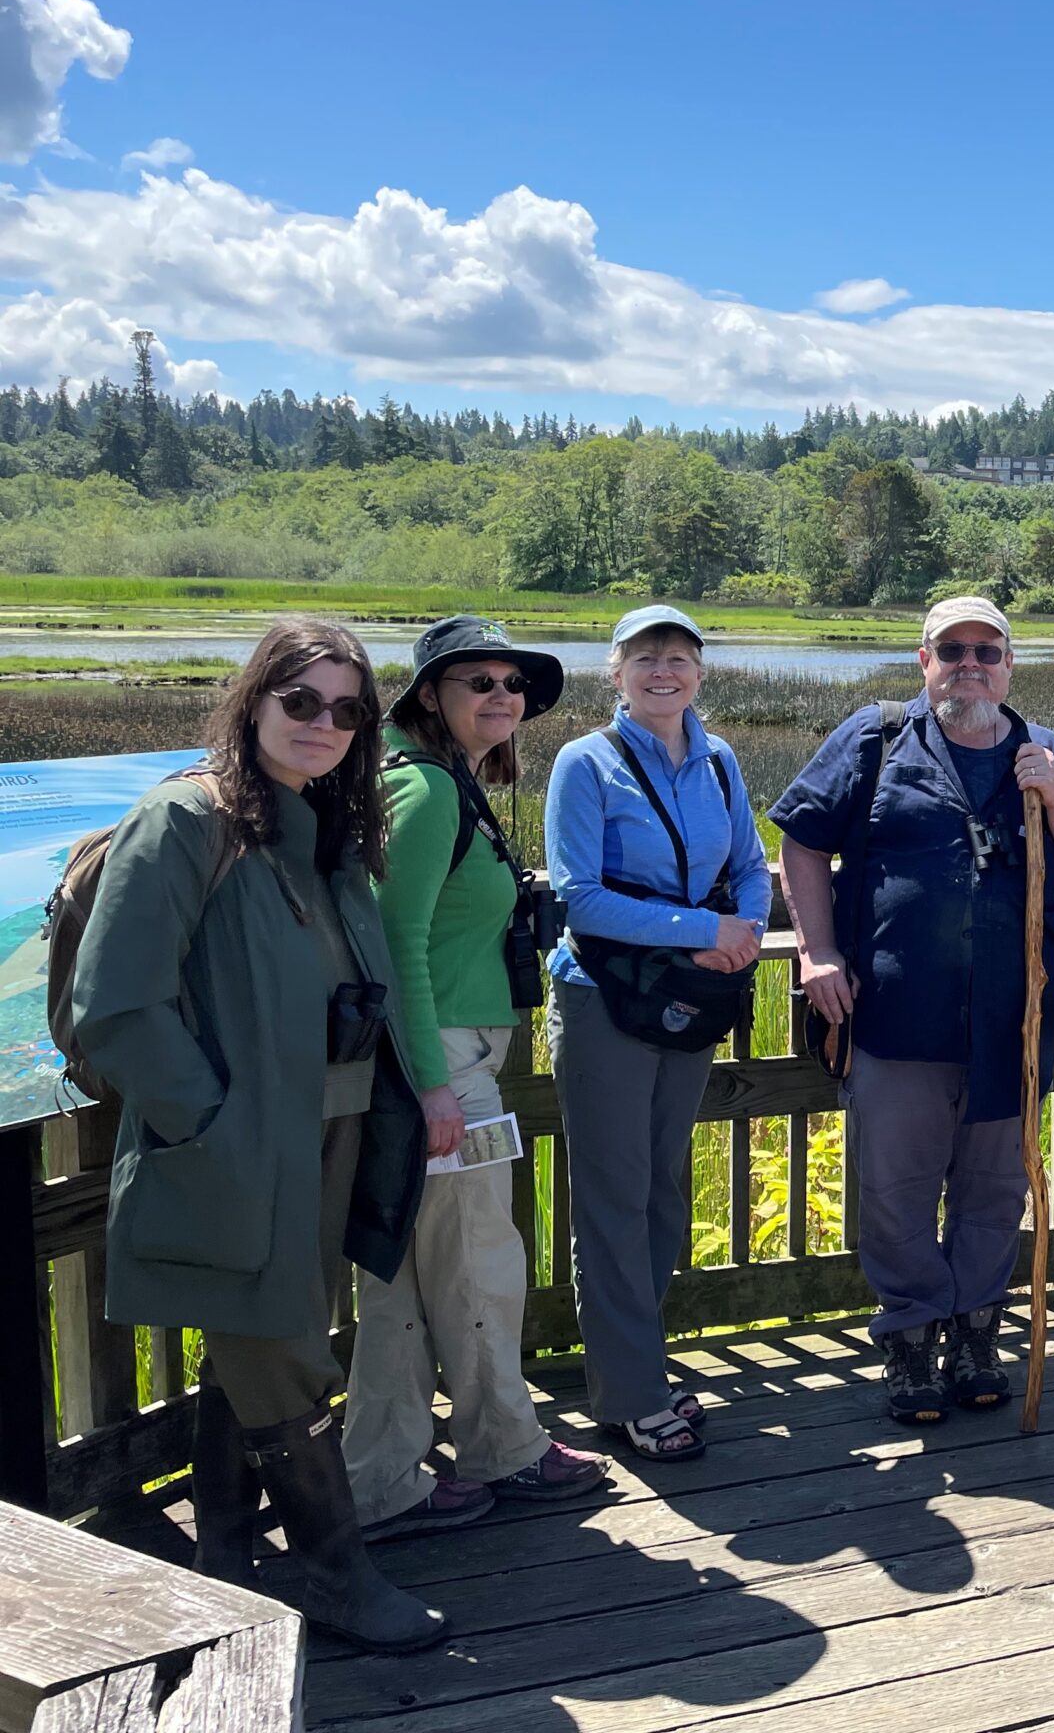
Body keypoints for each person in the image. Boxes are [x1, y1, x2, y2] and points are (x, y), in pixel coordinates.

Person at [71, 619, 445, 1651]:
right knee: (285, 1358)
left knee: (258, 1346)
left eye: (346, 709)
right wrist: (213, 1124)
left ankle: (226, 1562)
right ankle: (334, 1573)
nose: (323, 724)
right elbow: (116, 1007)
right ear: (253, 703)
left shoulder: (323, 829)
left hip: (325, 1145)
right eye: (301, 701)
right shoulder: (185, 822)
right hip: (241, 1151)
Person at [772, 596, 1054, 1426]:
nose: (971, 665)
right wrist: (819, 952)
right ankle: (910, 1336)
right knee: (894, 1189)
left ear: (1010, 665)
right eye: (952, 650)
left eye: (987, 651)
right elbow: (800, 839)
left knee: (994, 1190)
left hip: (1015, 1021)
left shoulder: (1048, 752)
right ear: (923, 659)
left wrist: (1053, 793)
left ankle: (975, 1332)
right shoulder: (876, 736)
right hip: (897, 1015)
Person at [344, 616, 607, 1537]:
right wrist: (432, 1085)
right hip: (444, 1058)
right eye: (478, 681)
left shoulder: (440, 782)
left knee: (408, 1277)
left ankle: (383, 1479)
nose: (502, 696)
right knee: (480, 1267)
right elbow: (397, 946)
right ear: (429, 696)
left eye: (512, 683)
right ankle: (506, 1450)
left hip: (439, 1056)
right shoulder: (423, 794)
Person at [544, 604, 770, 1461]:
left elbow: (751, 864)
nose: (663, 671)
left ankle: (634, 1369)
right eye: (646, 658)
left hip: (688, 998)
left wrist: (742, 934)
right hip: (604, 1001)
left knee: (663, 1193)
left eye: (679, 657)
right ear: (616, 672)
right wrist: (703, 933)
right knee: (613, 1199)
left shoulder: (717, 761)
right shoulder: (585, 762)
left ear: (700, 672)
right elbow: (579, 897)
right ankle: (632, 1396)